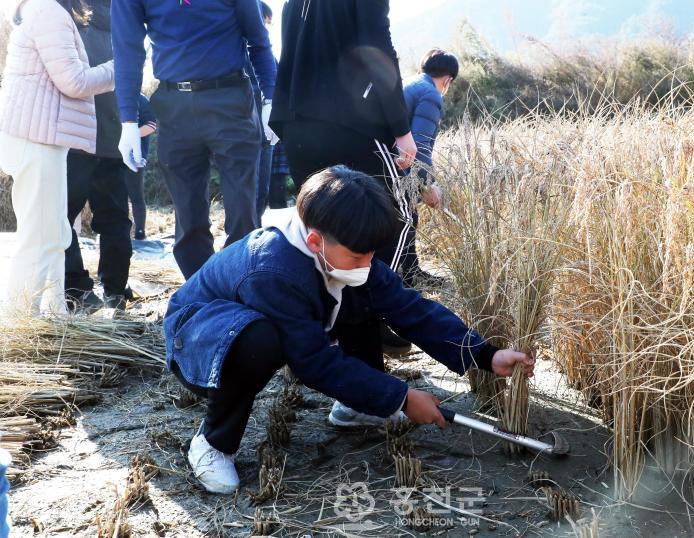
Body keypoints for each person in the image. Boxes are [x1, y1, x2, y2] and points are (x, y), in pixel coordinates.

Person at [165, 166, 535, 494]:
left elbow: (409, 308)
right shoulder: (273, 269)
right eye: (360, 256)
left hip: (252, 321)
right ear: (315, 242)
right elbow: (313, 362)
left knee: (361, 291)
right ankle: (213, 442)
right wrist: (401, 397)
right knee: (260, 342)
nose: (368, 263)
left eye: (372, 254)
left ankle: (356, 406)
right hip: (201, 339)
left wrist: (484, 354)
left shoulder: (343, 249)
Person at [270, 0, 419, 363]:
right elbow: (377, 49)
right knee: (394, 221)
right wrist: (401, 127)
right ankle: (375, 325)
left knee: (321, 238)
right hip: (351, 124)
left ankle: (320, 344)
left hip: (297, 125)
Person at [111, 0, 277, 279]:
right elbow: (127, 50)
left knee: (242, 212)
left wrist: (271, 97)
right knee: (188, 217)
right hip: (173, 105)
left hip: (230, 99)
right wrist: (128, 120)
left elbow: (258, 41)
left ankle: (241, 288)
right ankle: (202, 294)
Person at [0, 0, 114, 317]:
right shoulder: (48, 12)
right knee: (40, 237)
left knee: (55, 234)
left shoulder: (40, 10)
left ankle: (55, 315)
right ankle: (20, 319)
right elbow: (74, 82)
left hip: (38, 137)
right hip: (36, 139)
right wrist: (120, 67)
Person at [63, 0, 135, 314]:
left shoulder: (69, 17)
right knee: (116, 221)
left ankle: (77, 289)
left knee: (62, 218)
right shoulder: (123, 21)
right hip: (111, 139)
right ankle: (115, 291)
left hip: (74, 138)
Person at [398, 48, 459, 289]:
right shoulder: (431, 94)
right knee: (406, 216)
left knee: (408, 215)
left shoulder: (412, 83)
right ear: (448, 79)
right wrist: (426, 186)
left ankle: (411, 273)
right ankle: (410, 277)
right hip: (396, 164)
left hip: (382, 157)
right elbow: (419, 146)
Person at [253, 1, 278, 220]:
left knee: (262, 190)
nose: (265, 28)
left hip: (266, 135)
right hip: (241, 130)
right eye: (264, 21)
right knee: (245, 191)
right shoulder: (236, 53)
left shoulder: (270, 58)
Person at [124, 93, 157, 242]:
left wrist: (130, 134)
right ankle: (122, 231)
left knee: (135, 195)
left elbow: (152, 125)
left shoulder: (140, 99)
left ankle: (140, 232)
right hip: (112, 155)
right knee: (117, 196)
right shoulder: (109, 96)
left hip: (135, 157)